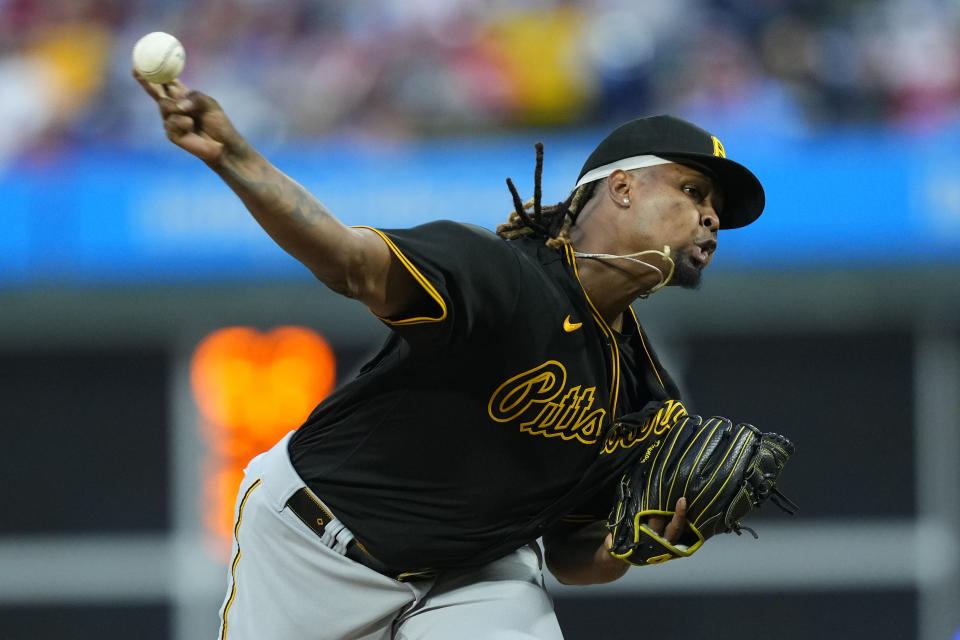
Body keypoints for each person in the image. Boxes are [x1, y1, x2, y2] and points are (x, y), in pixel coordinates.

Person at [135, 71, 764, 640]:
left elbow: (571, 554)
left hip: (473, 575)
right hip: (314, 548)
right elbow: (351, 262)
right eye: (693, 189)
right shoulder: (500, 275)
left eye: (715, 210)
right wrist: (238, 159)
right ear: (622, 187)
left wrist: (636, 545)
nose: (710, 216)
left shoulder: (646, 396)